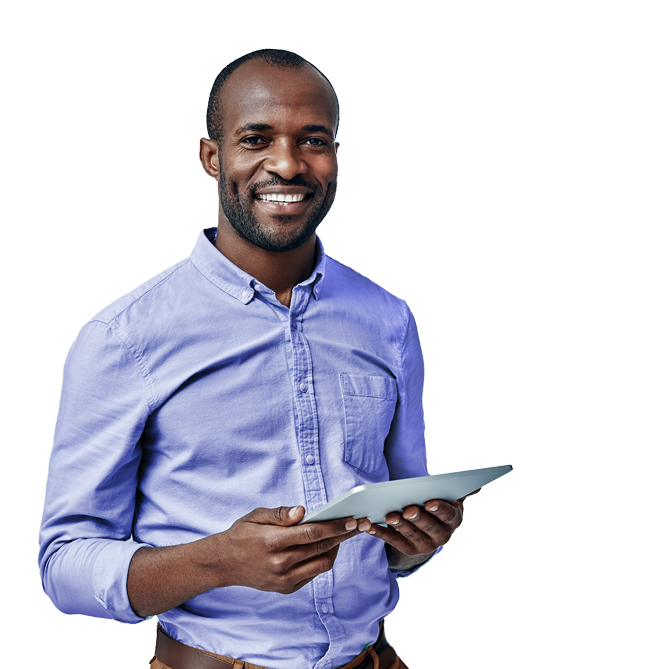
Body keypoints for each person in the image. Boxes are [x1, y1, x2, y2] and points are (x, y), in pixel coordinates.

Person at [38, 49, 473, 669]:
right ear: (212, 156)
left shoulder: (387, 321)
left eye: (313, 140)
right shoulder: (125, 337)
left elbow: (397, 527)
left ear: (335, 156)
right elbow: (64, 565)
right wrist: (217, 560)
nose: (288, 164)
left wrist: (415, 543)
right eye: (256, 138)